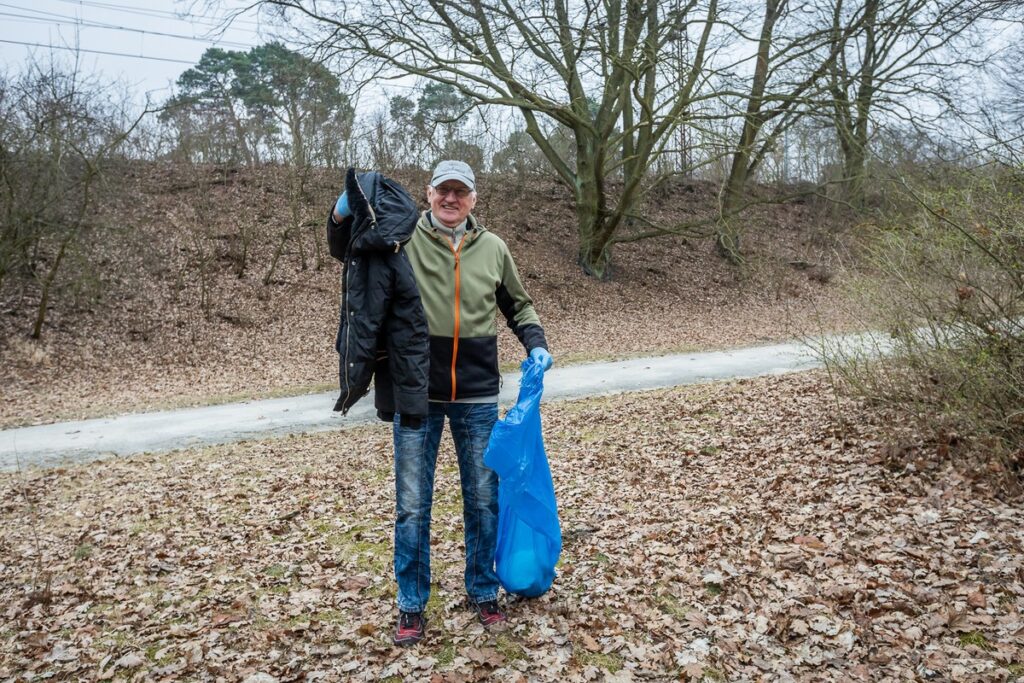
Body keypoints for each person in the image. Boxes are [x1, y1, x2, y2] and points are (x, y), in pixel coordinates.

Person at [334, 160, 552, 646]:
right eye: (443, 191)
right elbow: (344, 247)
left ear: (473, 199)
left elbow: (519, 304)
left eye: (461, 192)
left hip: (476, 395)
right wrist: (341, 210)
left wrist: (535, 341)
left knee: (483, 500)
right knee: (412, 506)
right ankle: (411, 604)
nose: (451, 199)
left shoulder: (493, 248)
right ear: (428, 193)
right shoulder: (402, 239)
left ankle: (482, 590)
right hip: (417, 392)